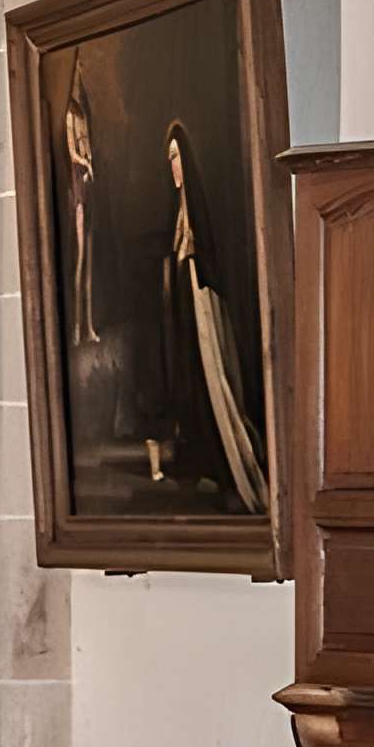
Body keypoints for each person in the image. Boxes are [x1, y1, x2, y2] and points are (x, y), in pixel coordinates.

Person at [162, 117, 268, 513]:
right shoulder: (178, 217)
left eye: (176, 157)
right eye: (168, 159)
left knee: (216, 382)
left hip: (205, 315)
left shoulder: (198, 220)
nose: (172, 167)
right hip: (191, 322)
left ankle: (230, 465)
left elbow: (204, 270)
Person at [61, 71, 101, 346]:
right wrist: (86, 165)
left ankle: (88, 326)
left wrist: (91, 165)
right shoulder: (69, 117)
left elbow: (88, 151)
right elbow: (73, 153)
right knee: (79, 261)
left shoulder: (85, 117)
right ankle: (76, 328)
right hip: (78, 193)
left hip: (90, 190)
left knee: (90, 265)